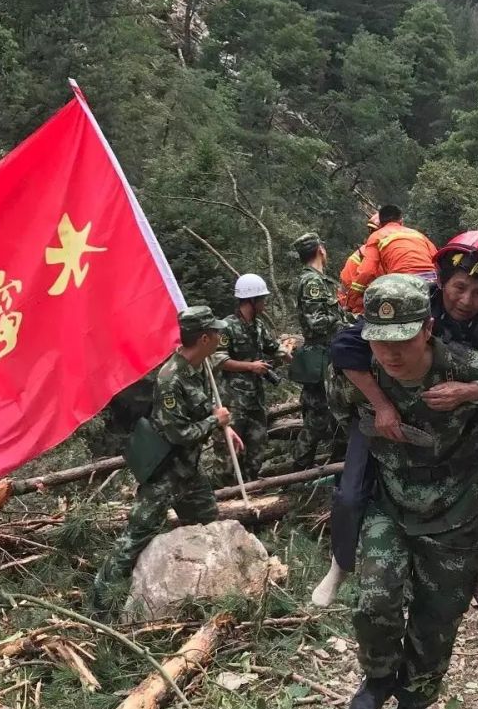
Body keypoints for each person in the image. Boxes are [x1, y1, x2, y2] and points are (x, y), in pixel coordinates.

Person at [329, 274, 478, 709]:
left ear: (428, 328)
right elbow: (339, 410)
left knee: (436, 622)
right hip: (390, 502)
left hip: (453, 512)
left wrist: (475, 395)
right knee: (375, 598)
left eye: (402, 340)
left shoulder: (467, 367)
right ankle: (379, 676)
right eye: (379, 342)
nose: (390, 354)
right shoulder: (359, 370)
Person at [313, 230, 478, 613]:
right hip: (390, 410)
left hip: (456, 419)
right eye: (459, 287)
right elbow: (346, 346)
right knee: (350, 492)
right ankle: (340, 564)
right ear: (444, 279)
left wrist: (472, 391)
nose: (466, 301)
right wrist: (380, 405)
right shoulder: (411, 300)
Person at [94, 306, 240, 607]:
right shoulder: (171, 379)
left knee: (207, 527)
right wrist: (216, 422)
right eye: (215, 331)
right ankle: (100, 603)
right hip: (165, 472)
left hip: (189, 471)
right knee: (135, 538)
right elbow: (178, 434)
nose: (219, 335)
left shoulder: (201, 368)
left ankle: (204, 592)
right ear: (203, 338)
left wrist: (225, 428)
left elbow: (207, 409)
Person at [211, 274, 289, 481]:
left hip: (255, 401)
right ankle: (226, 498)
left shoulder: (258, 325)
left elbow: (272, 346)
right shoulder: (227, 327)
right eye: (262, 299)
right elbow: (218, 359)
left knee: (256, 451)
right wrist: (251, 366)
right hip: (233, 402)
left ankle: (250, 492)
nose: (264, 304)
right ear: (251, 301)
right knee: (229, 457)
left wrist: (286, 352)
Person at [290, 232, 347, 471]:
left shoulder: (318, 279)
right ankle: (299, 470)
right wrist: (346, 326)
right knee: (318, 416)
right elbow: (317, 322)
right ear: (320, 250)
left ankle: (337, 463)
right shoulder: (312, 282)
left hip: (328, 353)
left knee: (335, 412)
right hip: (320, 355)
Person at [345, 204, 437, 313]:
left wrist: (351, 301)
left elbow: (366, 272)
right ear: (401, 221)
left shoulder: (376, 236)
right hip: (433, 283)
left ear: (381, 224)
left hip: (405, 286)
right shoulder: (419, 235)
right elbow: (437, 259)